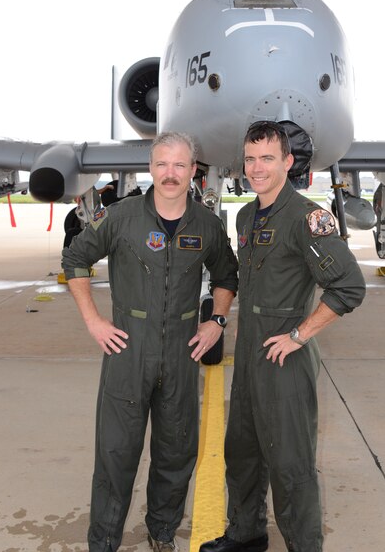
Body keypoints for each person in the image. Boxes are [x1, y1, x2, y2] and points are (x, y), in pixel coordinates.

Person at [61, 131, 238, 552]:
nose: (171, 174)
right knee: (116, 454)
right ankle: (103, 541)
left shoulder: (207, 225)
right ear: (151, 168)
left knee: (176, 453)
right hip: (127, 350)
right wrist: (94, 320)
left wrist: (216, 320)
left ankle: (161, 532)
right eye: (162, 164)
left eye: (180, 165)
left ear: (193, 171)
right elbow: (75, 258)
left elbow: (227, 275)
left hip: (181, 350)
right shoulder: (121, 218)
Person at [199, 121, 366, 552]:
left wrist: (300, 333)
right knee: (242, 453)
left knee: (291, 467)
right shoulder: (246, 215)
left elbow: (348, 287)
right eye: (251, 159)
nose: (256, 168)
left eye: (267, 158)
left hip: (285, 362)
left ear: (287, 162)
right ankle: (246, 532)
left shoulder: (307, 219)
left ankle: (303, 546)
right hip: (250, 356)